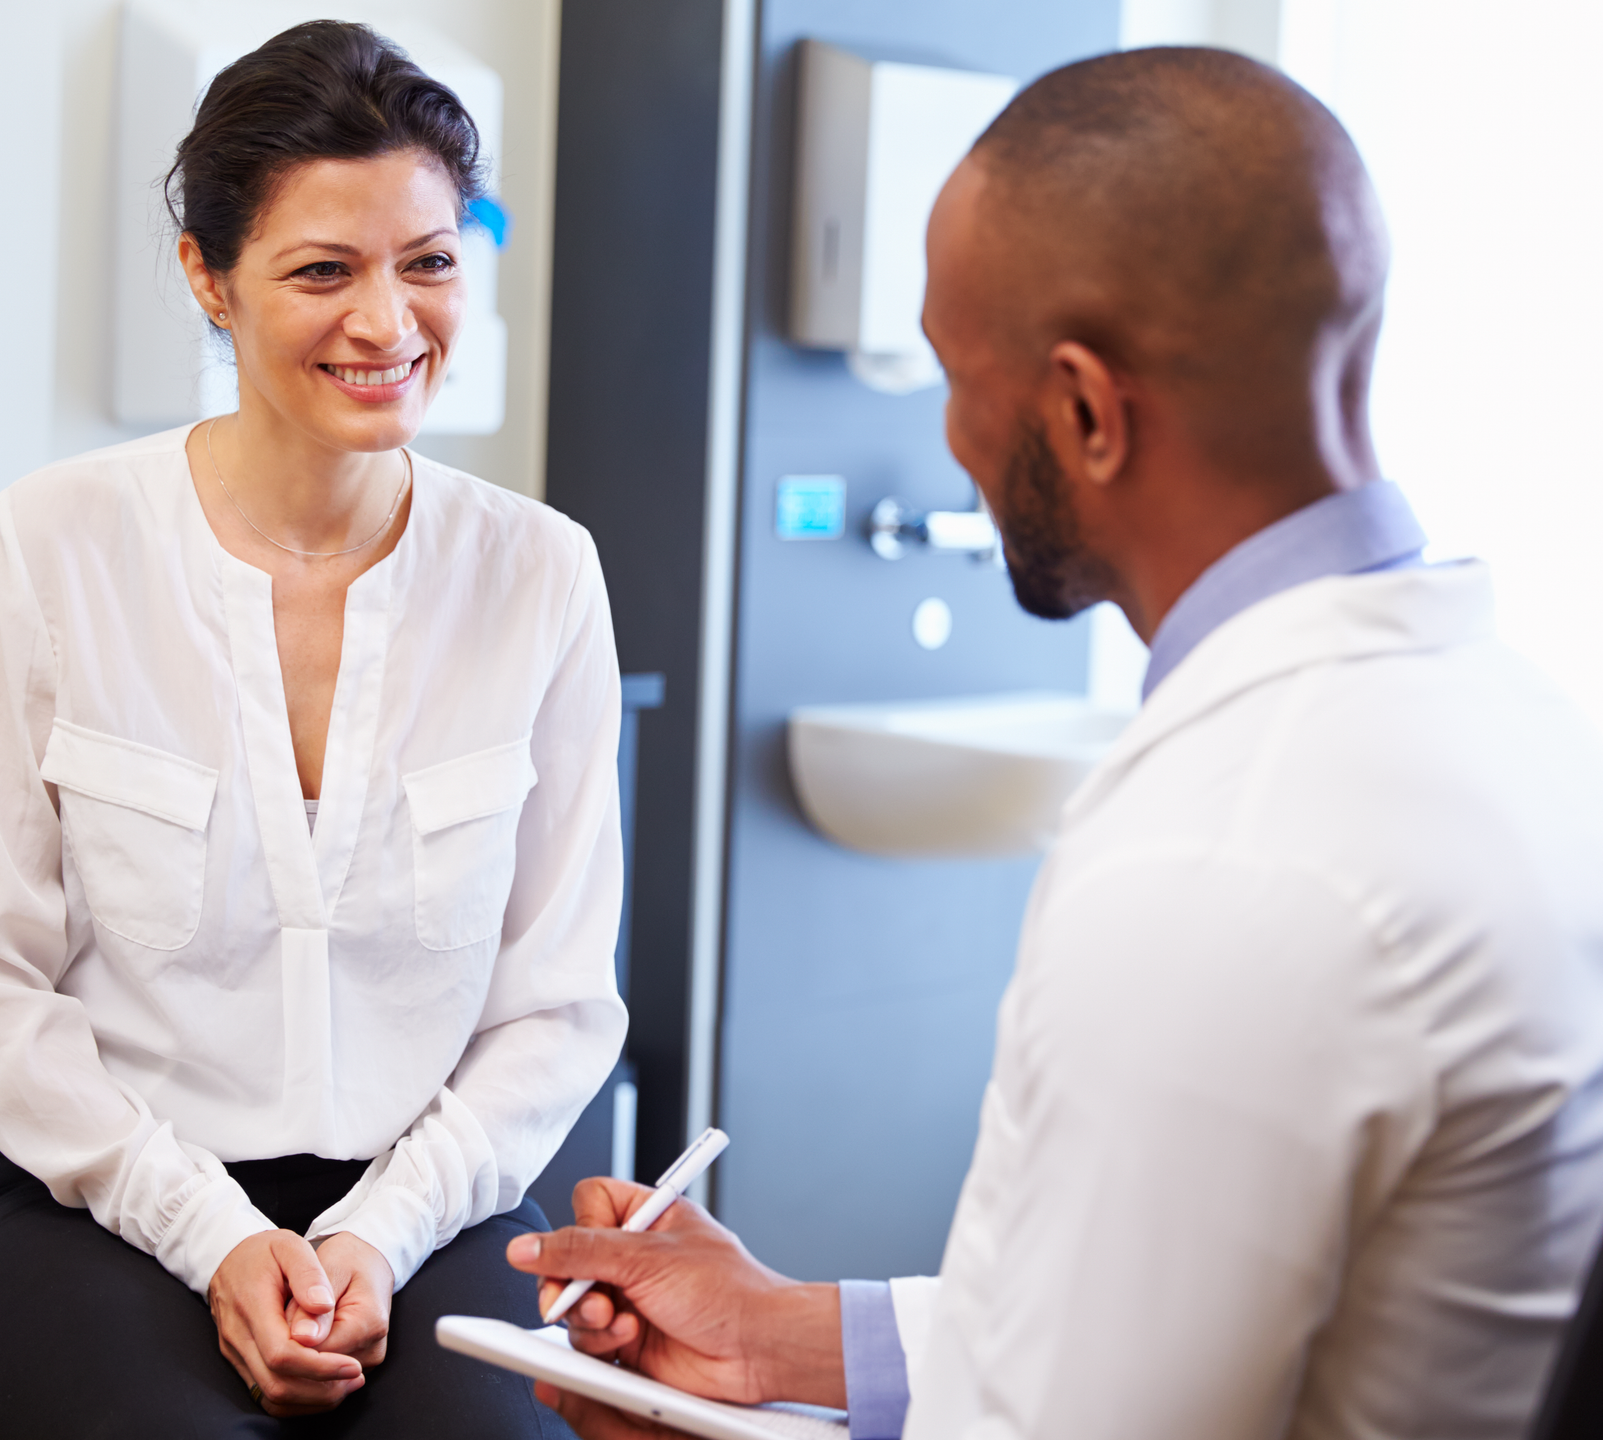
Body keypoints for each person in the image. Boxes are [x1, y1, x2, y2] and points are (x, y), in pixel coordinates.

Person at [508, 46, 1603, 1440]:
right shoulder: (1519, 721)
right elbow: (1162, 1320)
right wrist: (784, 1335)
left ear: (1085, 411)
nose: (951, 436)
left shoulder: (1224, 853)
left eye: (954, 374)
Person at [0, 22, 622, 1439]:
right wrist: (216, 1238)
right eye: (322, 271)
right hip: (91, 1205)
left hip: (424, 1208)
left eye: (428, 262)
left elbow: (552, 1003)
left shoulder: (542, 574)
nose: (389, 323)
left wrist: (376, 1237)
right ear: (208, 278)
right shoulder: (56, 543)